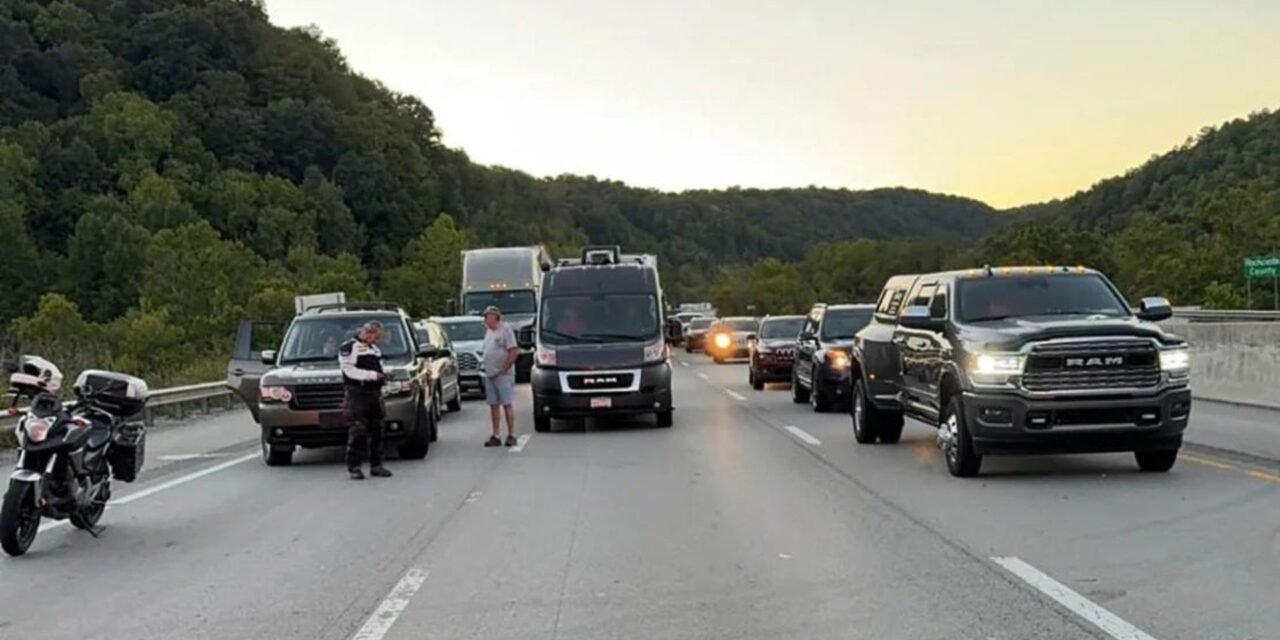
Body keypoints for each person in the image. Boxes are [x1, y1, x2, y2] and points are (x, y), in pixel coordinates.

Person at [339, 321, 392, 480]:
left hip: (374, 392)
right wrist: (373, 376)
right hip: (357, 392)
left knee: (378, 428)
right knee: (358, 429)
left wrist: (383, 376)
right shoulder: (350, 347)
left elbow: (378, 369)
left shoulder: (374, 350)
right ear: (368, 333)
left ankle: (377, 465)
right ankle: (354, 466)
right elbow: (349, 371)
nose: (377, 341)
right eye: (376, 337)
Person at [481, 305, 520, 447]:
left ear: (495, 317)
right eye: (485, 317)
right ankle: (496, 434)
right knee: (493, 405)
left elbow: (513, 350)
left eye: (488, 316)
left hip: (503, 374)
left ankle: (511, 434)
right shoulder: (488, 332)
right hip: (490, 373)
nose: (486, 319)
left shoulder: (505, 330)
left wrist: (505, 368)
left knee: (507, 404)